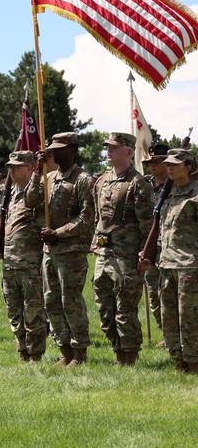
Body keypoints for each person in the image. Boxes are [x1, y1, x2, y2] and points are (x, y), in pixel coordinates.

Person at [92, 132, 153, 366]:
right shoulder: (102, 181)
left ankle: (129, 356)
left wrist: (145, 256)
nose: (108, 150)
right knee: (104, 309)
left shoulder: (138, 183)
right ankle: (117, 350)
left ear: (128, 152)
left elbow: (147, 224)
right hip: (103, 254)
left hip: (127, 257)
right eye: (108, 146)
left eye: (114, 147)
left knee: (125, 309)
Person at [40, 133, 96, 366]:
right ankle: (64, 349)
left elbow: (87, 217)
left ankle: (79, 351)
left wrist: (59, 233)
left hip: (71, 251)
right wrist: (37, 169)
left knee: (70, 300)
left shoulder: (83, 179)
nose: (54, 152)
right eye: (51, 149)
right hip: (49, 252)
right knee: (51, 300)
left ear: (72, 150)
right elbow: (34, 201)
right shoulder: (49, 177)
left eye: (59, 148)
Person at [141, 148, 198, 372]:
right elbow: (165, 229)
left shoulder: (195, 195)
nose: (170, 167)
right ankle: (178, 360)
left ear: (189, 167)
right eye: (169, 164)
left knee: (189, 317)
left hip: (190, 266)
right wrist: (149, 252)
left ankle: (194, 362)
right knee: (169, 316)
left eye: (176, 164)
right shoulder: (168, 194)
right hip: (166, 264)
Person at [0, 151, 46, 363]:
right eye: (10, 167)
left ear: (29, 168)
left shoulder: (36, 191)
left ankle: (35, 354)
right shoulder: (10, 194)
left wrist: (40, 172)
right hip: (10, 263)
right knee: (13, 311)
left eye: (16, 167)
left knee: (32, 311)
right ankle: (22, 350)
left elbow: (33, 199)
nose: (11, 170)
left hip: (30, 263)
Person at [143, 142, 171, 346]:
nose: (152, 165)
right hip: (150, 246)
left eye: (157, 161)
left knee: (170, 293)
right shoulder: (145, 184)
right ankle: (166, 333)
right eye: (150, 162)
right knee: (154, 293)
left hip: (170, 247)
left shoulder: (176, 184)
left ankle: (177, 333)